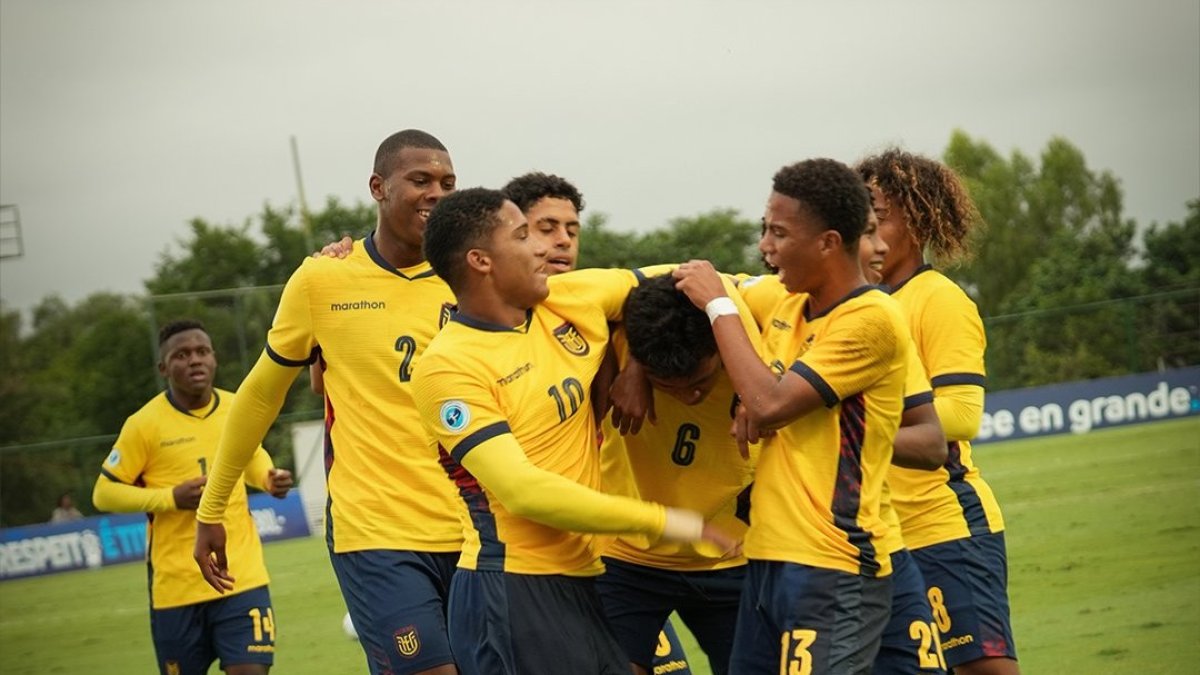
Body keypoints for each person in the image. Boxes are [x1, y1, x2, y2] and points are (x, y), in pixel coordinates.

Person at [412, 187, 729, 675]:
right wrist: (667, 521)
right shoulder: (447, 367)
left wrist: (638, 366)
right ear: (481, 261)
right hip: (514, 589)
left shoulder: (575, 297)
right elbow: (523, 491)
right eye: (523, 235)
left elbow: (685, 287)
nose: (543, 248)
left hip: (584, 578)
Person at [194, 129, 463, 675]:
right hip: (376, 531)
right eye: (420, 180)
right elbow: (259, 396)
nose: (437, 192)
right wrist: (213, 505)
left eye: (448, 183)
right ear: (377, 187)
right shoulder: (323, 279)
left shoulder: (474, 274)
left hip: (478, 529)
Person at [673, 158, 910, 674]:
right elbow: (703, 283)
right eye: (765, 229)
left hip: (834, 564)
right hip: (767, 560)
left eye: (778, 233)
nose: (765, 246)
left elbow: (771, 404)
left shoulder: (871, 319)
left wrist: (721, 309)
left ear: (827, 242)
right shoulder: (786, 300)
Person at [858, 148, 1019, 675]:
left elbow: (962, 414)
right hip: (877, 534)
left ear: (920, 219)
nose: (871, 231)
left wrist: (852, 421)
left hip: (942, 525)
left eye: (880, 216)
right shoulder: (856, 305)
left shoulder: (937, 299)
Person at [93, 320, 292, 675]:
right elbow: (103, 493)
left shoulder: (238, 407)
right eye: (181, 355)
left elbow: (251, 453)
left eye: (202, 352)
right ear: (163, 368)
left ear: (214, 358)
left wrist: (267, 477)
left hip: (242, 578)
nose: (194, 361)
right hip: (177, 590)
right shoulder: (144, 424)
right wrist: (169, 497)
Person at [596, 272, 760, 675]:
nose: (690, 396)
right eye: (668, 386)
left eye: (702, 382)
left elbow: (703, 276)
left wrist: (757, 394)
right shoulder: (621, 337)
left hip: (733, 558)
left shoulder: (750, 327)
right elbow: (631, 286)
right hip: (627, 556)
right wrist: (633, 363)